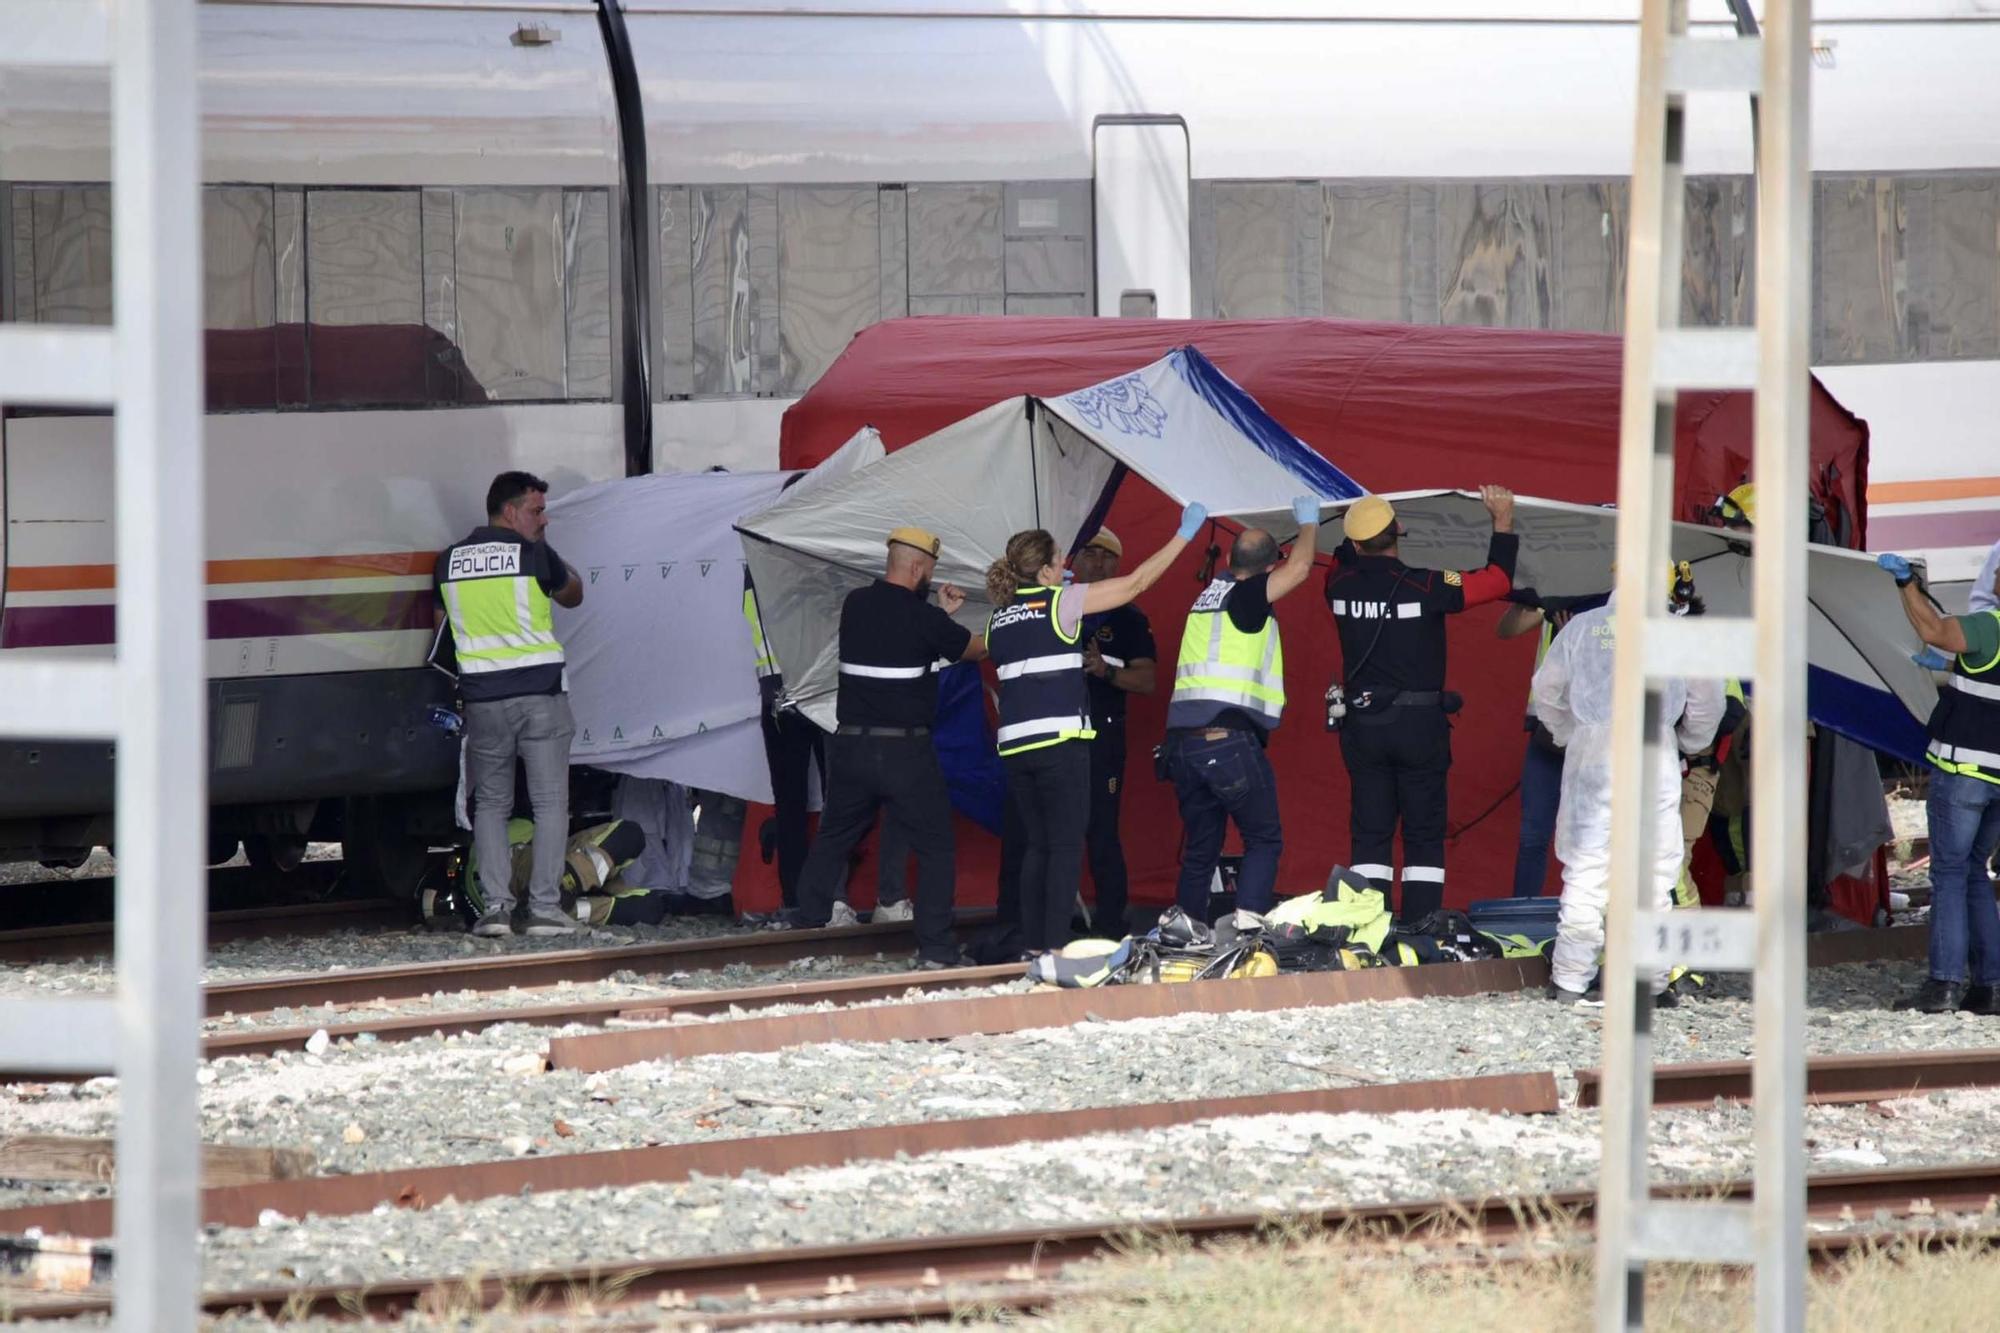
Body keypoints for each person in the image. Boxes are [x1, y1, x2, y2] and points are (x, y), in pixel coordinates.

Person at [984, 509, 1202, 955]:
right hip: (1061, 745)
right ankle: (1054, 950)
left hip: (1014, 747)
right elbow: (1138, 581)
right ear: (1045, 569)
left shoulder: (998, 617)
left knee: (1036, 848)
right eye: (1061, 560)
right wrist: (1183, 535)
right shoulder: (1061, 603)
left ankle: (1031, 945)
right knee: (1064, 848)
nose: (1066, 567)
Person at [790, 526, 986, 967]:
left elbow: (900, 633)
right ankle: (936, 948)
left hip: (852, 747)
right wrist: (959, 622)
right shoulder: (926, 619)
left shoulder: (855, 605)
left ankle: (806, 925)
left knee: (834, 837)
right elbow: (972, 650)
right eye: (929, 572)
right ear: (917, 568)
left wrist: (937, 617)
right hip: (906, 753)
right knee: (936, 846)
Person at [1323, 486, 1518, 921]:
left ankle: (1368, 926)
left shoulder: (1336, 583)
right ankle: (1419, 927)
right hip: (1418, 727)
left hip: (1362, 727)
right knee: (1424, 834)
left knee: (1370, 833)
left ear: (1355, 542)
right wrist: (1502, 520)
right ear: (1400, 531)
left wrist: (1349, 519)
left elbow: (1345, 557)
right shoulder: (1428, 585)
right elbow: (1498, 580)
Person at [1533, 568, 1725, 1006]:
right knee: (1654, 873)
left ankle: (1569, 982)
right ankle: (1650, 983)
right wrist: (1690, 743)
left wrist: (1571, 732)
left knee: (1585, 868)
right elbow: (1708, 704)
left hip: (1593, 753)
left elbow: (1546, 691)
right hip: (1654, 752)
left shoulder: (1582, 628)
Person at [436, 471, 584, 939]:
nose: (544, 520)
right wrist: (546, 549)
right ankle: (543, 909)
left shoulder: (448, 561)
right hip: (539, 698)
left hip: (483, 701)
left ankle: (496, 909)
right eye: (537, 511)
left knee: (492, 806)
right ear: (509, 511)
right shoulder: (534, 554)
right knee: (549, 803)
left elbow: (443, 629)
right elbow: (574, 594)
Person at [1164, 496, 1322, 920]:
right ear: (1270, 567)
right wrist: (1309, 525)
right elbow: (1301, 569)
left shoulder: (1209, 596)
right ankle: (1248, 934)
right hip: (1227, 740)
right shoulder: (1249, 595)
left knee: (1200, 850)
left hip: (1183, 745)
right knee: (1264, 840)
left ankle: (1187, 937)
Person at [1878, 550, 2000, 1013]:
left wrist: (1907, 585)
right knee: (1974, 873)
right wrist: (1952, 669)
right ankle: (1989, 986)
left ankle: (1944, 983)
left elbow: (1934, 628)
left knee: (1948, 874)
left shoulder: (1991, 626)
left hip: (1963, 774)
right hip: (1997, 779)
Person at [1073, 527, 1160, 938]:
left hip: (1103, 735)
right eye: (1089, 553)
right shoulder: (1054, 606)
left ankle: (1111, 923)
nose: (1097, 562)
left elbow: (1147, 681)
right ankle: (1039, 922)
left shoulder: (1128, 617)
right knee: (1049, 830)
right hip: (1055, 735)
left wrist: (1105, 670)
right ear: (1072, 560)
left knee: (1101, 828)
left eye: (1107, 555)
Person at [1498, 589, 1609, 897]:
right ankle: (1522, 919)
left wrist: (1572, 639)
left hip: (1594, 740)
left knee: (1594, 836)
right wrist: (1523, 600)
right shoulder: (1561, 598)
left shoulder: (1611, 612)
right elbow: (1506, 630)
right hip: (1548, 737)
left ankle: (1592, 915)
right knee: (1533, 835)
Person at [745, 565, 825, 912]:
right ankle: (826, 897)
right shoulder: (816, 561)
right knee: (839, 800)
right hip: (821, 690)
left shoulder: (756, 563)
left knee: (791, 805)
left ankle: (799, 900)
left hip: (778, 692)